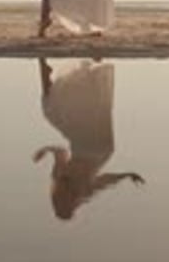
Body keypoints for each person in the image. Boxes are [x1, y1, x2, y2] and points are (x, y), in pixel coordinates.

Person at [33, 58, 145, 221]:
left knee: (92, 107)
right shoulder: (70, 184)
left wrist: (126, 175)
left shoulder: (77, 188)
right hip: (86, 146)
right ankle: (44, 64)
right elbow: (104, 181)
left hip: (101, 148)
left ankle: (94, 66)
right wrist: (126, 175)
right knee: (51, 110)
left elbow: (104, 181)